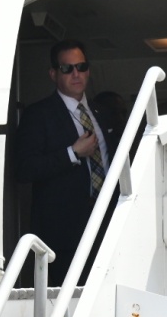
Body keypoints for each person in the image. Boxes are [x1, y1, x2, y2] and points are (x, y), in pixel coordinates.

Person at [15, 39, 122, 287]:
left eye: (81, 67)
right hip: (63, 234)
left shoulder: (103, 114)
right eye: (67, 68)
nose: (76, 74)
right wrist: (72, 153)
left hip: (107, 224)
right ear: (54, 74)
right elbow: (24, 169)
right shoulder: (38, 115)